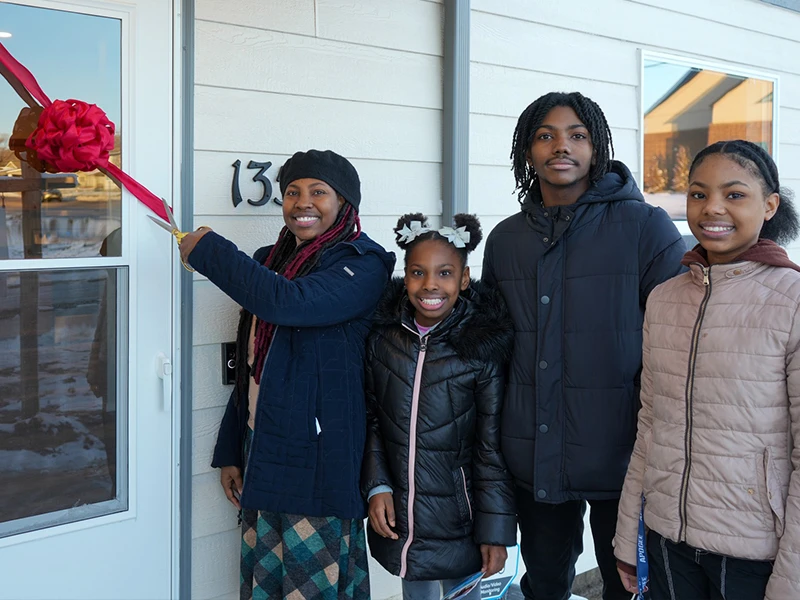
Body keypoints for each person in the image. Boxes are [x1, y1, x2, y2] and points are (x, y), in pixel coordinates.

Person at [481, 91, 686, 600]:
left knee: (628, 585)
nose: (561, 146)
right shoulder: (506, 240)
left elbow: (676, 341)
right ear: (527, 151)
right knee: (546, 582)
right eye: (545, 136)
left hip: (625, 454)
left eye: (577, 135)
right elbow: (492, 344)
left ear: (597, 148)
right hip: (534, 451)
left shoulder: (646, 227)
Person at [179, 149, 395, 600]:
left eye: (319, 191)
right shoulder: (269, 261)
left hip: (320, 453)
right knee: (265, 582)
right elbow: (253, 367)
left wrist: (211, 252)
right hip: (262, 444)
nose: (303, 202)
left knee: (311, 586)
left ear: (344, 203)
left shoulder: (363, 263)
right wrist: (232, 449)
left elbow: (291, 303)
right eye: (292, 192)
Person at [614, 140, 800, 600]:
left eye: (734, 194)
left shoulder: (792, 301)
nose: (713, 207)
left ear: (769, 206)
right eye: (698, 194)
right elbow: (650, 425)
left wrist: (791, 580)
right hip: (667, 541)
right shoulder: (664, 299)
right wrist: (627, 538)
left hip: (754, 554)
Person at [362, 213, 517, 600]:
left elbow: (490, 449)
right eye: (418, 272)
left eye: (444, 273)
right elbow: (373, 421)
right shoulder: (383, 341)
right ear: (405, 277)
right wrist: (377, 486)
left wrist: (495, 531)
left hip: (461, 523)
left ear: (464, 279)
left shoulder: (479, 351)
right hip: (403, 520)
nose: (430, 284)